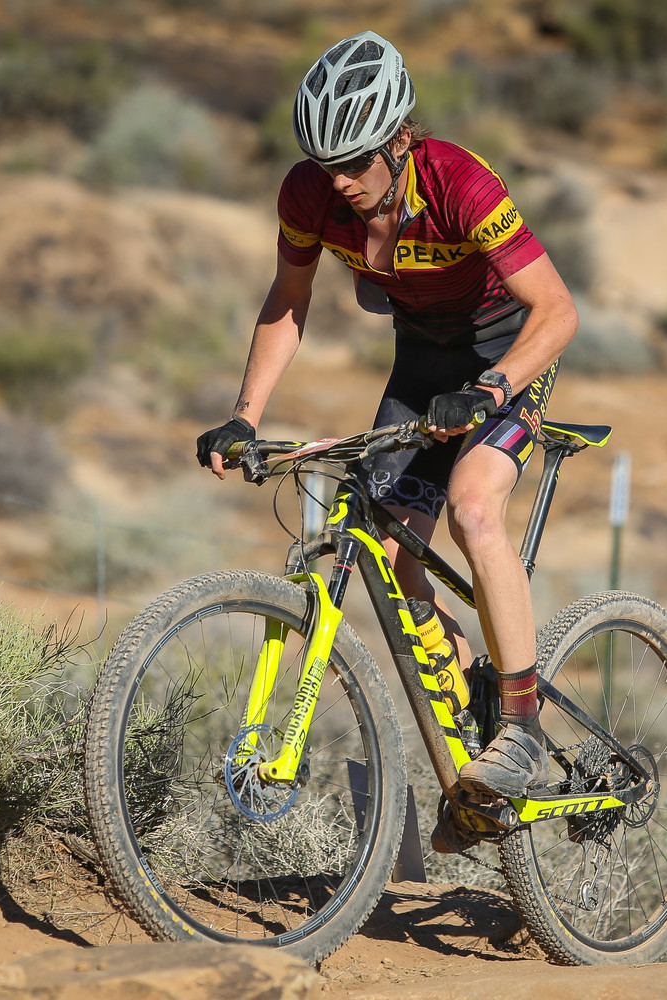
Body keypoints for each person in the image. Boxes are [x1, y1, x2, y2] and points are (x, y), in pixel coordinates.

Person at [196, 30, 579, 841]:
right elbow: (288, 299)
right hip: (422, 364)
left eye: (355, 162)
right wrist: (246, 416)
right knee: (394, 554)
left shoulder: (460, 184)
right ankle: (473, 716)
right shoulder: (309, 195)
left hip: (506, 354)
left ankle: (520, 730)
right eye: (325, 163)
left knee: (473, 508)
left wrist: (493, 387)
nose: (339, 181)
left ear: (400, 140)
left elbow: (557, 311)